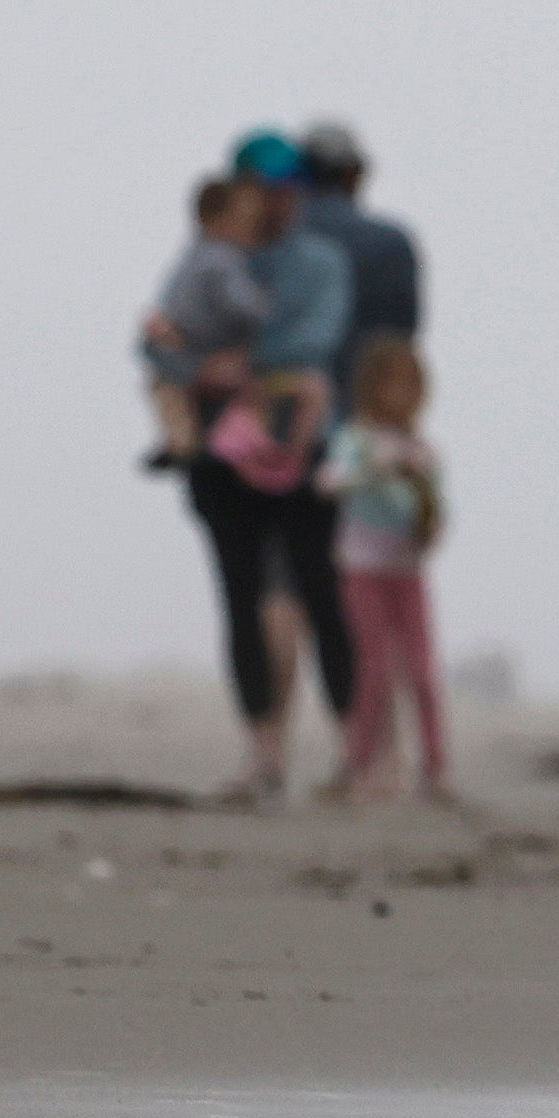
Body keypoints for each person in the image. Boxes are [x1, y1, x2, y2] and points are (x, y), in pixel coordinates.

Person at [178, 134, 357, 800]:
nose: (278, 200)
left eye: (289, 188)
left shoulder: (319, 261)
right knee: (241, 599)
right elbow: (168, 340)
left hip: (303, 451)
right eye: (264, 186)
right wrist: (192, 366)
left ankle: (351, 753)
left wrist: (240, 366)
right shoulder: (211, 256)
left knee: (325, 598)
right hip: (222, 454)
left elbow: (316, 339)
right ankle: (264, 755)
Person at [324, 336, 452, 802]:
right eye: (390, 383)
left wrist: (426, 520)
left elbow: (435, 519)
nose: (399, 394)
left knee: (421, 671)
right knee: (373, 669)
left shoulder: (422, 450)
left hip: (407, 571)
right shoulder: (355, 440)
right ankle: (358, 765)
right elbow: (330, 482)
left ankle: (436, 769)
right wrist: (379, 468)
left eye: (409, 384)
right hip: (362, 570)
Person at [135, 176, 268, 470]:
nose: (251, 227)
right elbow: (239, 303)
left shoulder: (196, 255)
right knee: (168, 386)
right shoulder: (221, 257)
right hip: (198, 344)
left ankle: (181, 441)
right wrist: (263, 307)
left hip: (192, 344)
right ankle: (184, 442)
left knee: (166, 388)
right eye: (244, 219)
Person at [289, 120, 420, 363]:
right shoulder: (391, 244)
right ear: (355, 174)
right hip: (362, 391)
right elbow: (401, 341)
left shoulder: (266, 242)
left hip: (280, 394)